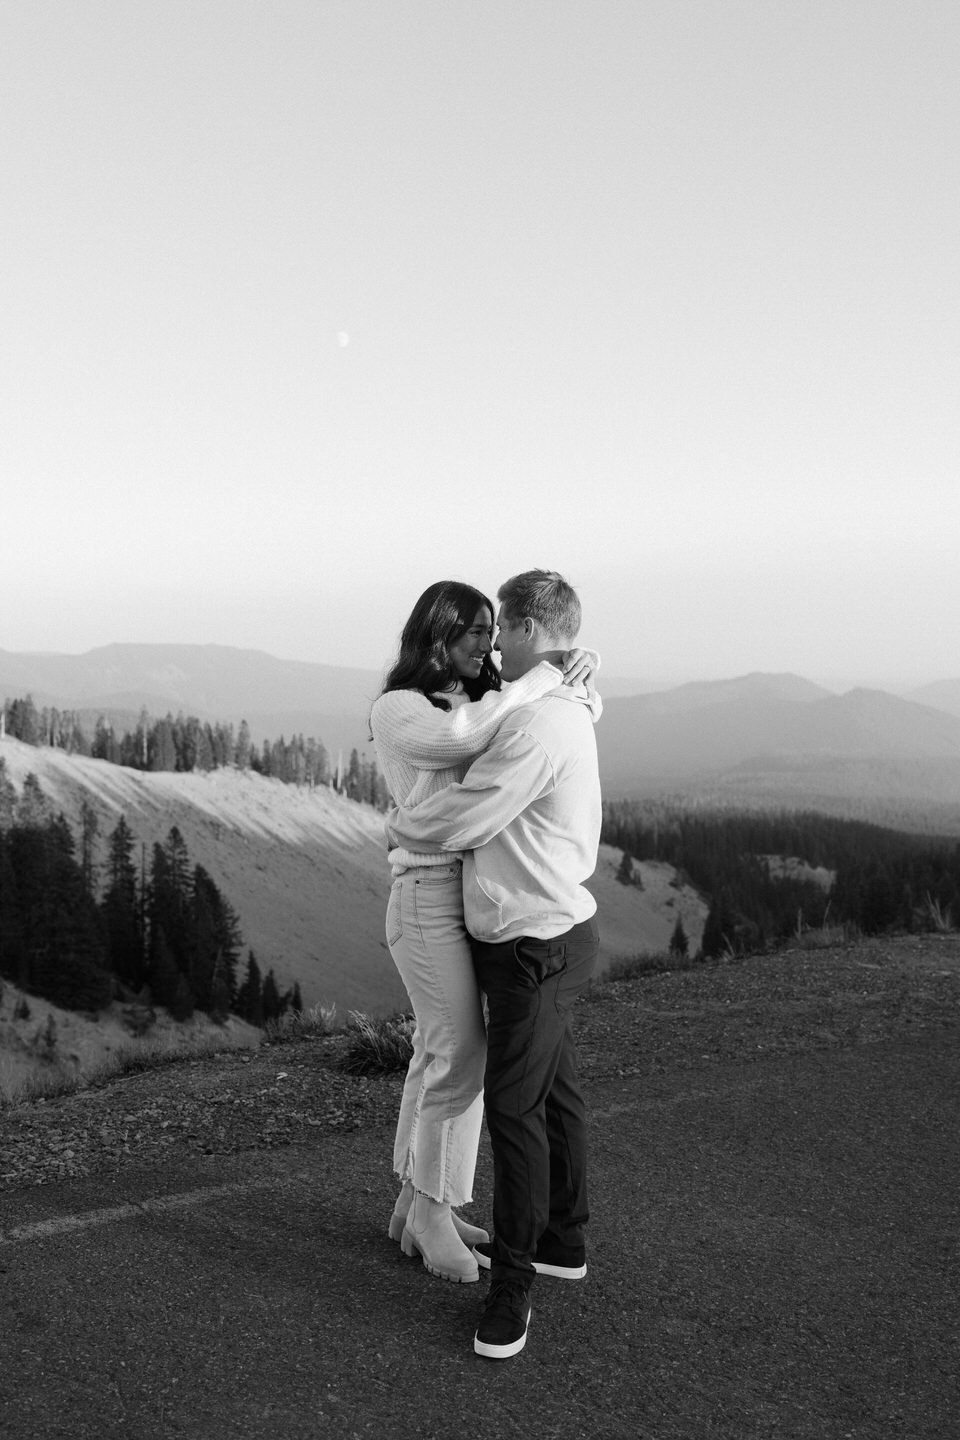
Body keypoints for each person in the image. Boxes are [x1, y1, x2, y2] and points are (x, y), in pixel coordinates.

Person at [386, 569, 602, 1361]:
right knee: (554, 1096)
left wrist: (405, 824)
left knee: (511, 1109)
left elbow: (467, 811)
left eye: (498, 631)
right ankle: (561, 1241)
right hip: (546, 932)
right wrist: (572, 672)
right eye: (476, 632)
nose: (492, 646)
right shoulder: (553, 703)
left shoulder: (538, 722)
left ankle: (511, 1287)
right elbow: (456, 740)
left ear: (523, 630)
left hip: (529, 943)